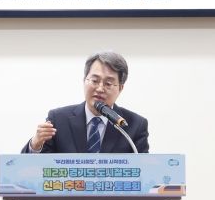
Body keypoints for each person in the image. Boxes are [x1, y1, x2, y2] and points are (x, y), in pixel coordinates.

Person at [21, 51, 149, 154]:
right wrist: (35, 144)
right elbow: (32, 168)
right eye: (94, 81)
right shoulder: (58, 119)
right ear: (84, 81)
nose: (100, 88)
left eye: (108, 83)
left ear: (120, 88)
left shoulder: (135, 125)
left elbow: (145, 169)